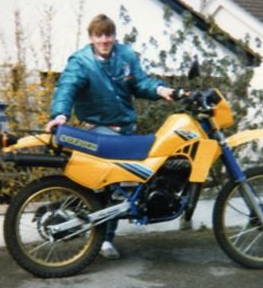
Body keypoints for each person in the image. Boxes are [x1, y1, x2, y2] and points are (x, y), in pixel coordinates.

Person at [45, 14, 174, 259]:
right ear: (91, 37)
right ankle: (102, 240)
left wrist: (160, 89)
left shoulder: (125, 56)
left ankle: (103, 238)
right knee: (108, 187)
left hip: (125, 128)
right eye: (99, 35)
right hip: (99, 130)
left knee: (121, 189)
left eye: (108, 34)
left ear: (114, 36)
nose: (104, 40)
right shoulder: (81, 62)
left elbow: (140, 83)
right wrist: (60, 114)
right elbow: (67, 87)